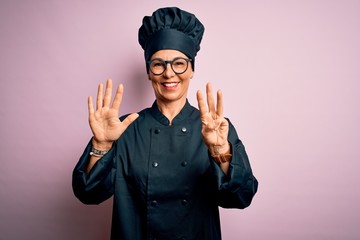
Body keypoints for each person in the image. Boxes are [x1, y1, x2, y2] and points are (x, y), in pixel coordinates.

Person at [72, 7, 258, 240]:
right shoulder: (123, 129)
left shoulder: (216, 128)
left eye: (179, 63)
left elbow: (241, 197)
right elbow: (89, 193)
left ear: (192, 69)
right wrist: (101, 145)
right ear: (149, 72)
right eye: (158, 64)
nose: (169, 73)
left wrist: (220, 151)